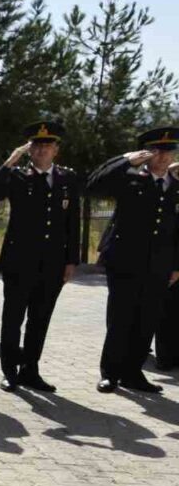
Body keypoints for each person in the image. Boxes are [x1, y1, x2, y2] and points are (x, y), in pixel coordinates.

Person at [0, 121, 77, 392]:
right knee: (13, 318)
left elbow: (72, 222)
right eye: (36, 145)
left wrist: (71, 260)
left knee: (40, 317)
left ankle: (30, 369)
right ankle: (9, 370)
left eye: (47, 145)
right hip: (19, 261)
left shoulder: (67, 179)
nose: (41, 150)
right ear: (29, 149)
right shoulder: (17, 176)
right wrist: (11, 161)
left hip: (53, 263)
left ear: (56, 149)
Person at [87, 127, 179, 393]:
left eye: (168, 151)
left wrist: (176, 265)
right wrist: (126, 160)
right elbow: (94, 185)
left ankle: (133, 373)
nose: (162, 157)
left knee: (147, 320)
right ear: (146, 153)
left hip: (160, 265)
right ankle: (110, 373)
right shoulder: (130, 179)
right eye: (156, 151)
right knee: (120, 318)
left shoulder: (175, 187)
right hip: (125, 261)